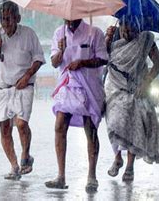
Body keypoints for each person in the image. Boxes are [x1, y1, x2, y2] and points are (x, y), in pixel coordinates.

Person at [0, 1, 45, 180]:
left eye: (9, 19)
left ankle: (26, 155)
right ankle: (14, 166)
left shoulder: (28, 34)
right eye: (3, 19)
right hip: (2, 89)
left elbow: (39, 59)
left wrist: (27, 76)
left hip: (23, 87)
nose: (6, 23)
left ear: (18, 18)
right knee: (4, 128)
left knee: (21, 124)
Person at [45, 19, 108, 192]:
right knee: (59, 124)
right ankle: (60, 176)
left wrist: (83, 62)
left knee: (91, 128)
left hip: (89, 86)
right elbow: (55, 62)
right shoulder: (59, 33)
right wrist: (61, 51)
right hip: (67, 83)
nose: (69, 18)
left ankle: (92, 176)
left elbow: (103, 59)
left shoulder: (94, 32)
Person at [104, 20, 159, 183]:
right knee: (114, 124)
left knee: (134, 125)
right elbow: (103, 58)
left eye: (131, 28)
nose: (127, 31)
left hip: (137, 89)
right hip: (114, 88)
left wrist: (146, 82)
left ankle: (129, 166)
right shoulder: (112, 36)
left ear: (138, 26)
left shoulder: (146, 39)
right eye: (124, 27)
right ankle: (117, 157)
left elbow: (158, 63)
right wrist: (106, 39)